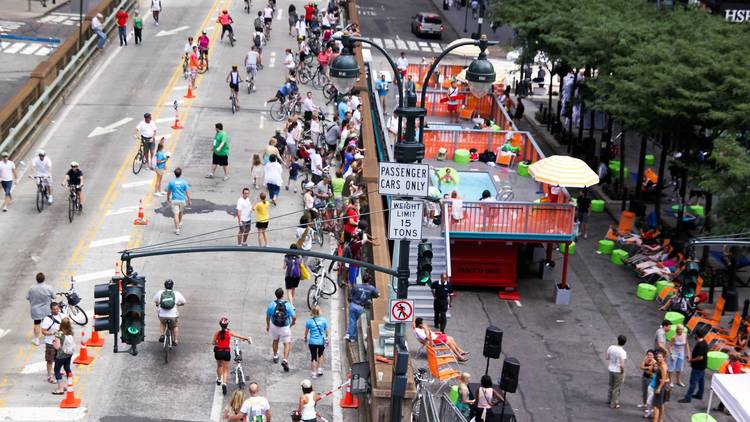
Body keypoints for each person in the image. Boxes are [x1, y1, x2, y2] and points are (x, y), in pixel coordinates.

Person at [212, 317, 252, 395]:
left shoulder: (217, 332)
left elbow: (213, 343)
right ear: (227, 324)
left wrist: (218, 344)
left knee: (219, 366)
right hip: (226, 352)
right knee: (225, 369)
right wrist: (247, 338)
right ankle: (224, 384)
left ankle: (219, 380)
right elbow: (239, 336)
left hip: (218, 352)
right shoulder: (229, 332)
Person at [266, 288, 296, 372]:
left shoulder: (272, 305)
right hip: (285, 327)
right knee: (287, 344)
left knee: (275, 340)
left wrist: (268, 325)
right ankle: (285, 360)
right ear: (283, 295)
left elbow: (268, 317)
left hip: (274, 326)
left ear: (276, 295)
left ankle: (275, 356)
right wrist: (293, 323)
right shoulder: (287, 305)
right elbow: (294, 316)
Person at [154, 279, 186, 345]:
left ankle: (162, 335)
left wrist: (157, 304)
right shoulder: (176, 293)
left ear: (165, 286)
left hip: (162, 315)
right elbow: (184, 302)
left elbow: (155, 300)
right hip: (173, 316)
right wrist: (178, 304)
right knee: (174, 326)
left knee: (162, 322)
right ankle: (175, 340)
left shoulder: (160, 292)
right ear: (172, 286)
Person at [678, 330, 707, 403]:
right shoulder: (704, 342)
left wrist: (691, 360)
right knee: (701, 381)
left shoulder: (700, 345)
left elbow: (700, 357)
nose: (694, 336)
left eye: (695, 335)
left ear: (697, 335)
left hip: (697, 366)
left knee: (693, 382)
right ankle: (700, 394)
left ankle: (688, 398)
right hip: (703, 366)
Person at [27, 272, 55, 346]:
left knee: (37, 324)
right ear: (44, 279)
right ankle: (48, 337)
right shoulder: (48, 287)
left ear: (36, 279)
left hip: (36, 310)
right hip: (46, 310)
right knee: (48, 323)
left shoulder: (31, 288)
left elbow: (27, 297)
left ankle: (36, 339)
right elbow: (54, 297)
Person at [51, 317, 75, 395]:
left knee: (57, 371)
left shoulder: (59, 333)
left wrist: (53, 343)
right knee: (67, 368)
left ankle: (60, 389)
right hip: (69, 353)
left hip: (61, 355)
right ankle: (69, 385)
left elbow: (57, 347)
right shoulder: (71, 332)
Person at [304, 306, 328, 379]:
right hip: (321, 341)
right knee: (320, 355)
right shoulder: (324, 320)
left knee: (313, 357)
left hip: (312, 342)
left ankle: (314, 373)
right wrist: (326, 337)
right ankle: (319, 369)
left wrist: (305, 337)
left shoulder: (309, 321)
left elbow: (306, 331)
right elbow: (326, 331)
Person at [40, 302, 62, 383]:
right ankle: (50, 376)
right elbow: (43, 331)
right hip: (50, 343)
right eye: (54, 309)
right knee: (50, 360)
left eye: (57, 309)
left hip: (59, 342)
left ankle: (57, 372)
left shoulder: (61, 315)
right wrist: (53, 333)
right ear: (51, 309)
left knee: (59, 359)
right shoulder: (47, 319)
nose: (56, 310)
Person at [167, 167, 191, 235]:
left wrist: (168, 198)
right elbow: (187, 192)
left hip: (174, 200)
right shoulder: (184, 182)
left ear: (175, 174)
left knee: (176, 214)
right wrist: (189, 200)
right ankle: (179, 223)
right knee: (181, 212)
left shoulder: (171, 182)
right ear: (180, 174)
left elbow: (169, 191)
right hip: (182, 200)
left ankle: (177, 229)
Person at [605, 334, 627, 409]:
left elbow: (607, 357)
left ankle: (609, 399)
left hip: (611, 369)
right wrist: (622, 371)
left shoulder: (611, 347)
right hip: (618, 371)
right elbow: (622, 365)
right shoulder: (622, 352)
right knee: (616, 388)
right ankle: (613, 403)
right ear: (624, 343)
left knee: (611, 385)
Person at [651, 351, 669, 422]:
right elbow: (665, 378)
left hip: (660, 387)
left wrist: (659, 388)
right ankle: (660, 419)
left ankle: (655, 420)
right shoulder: (662, 364)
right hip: (662, 386)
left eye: (660, 357)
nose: (658, 358)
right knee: (661, 404)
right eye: (658, 357)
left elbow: (664, 378)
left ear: (664, 358)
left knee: (656, 405)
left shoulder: (663, 366)